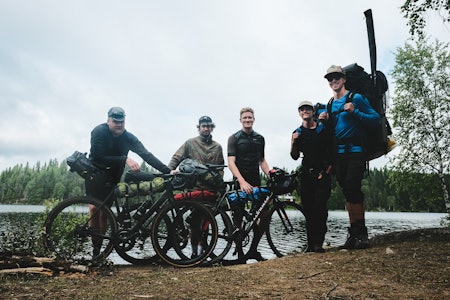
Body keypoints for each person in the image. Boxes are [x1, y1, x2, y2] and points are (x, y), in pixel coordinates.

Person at [87, 106, 172, 256]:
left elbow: (146, 154)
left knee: (104, 213)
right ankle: (95, 247)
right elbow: (98, 156)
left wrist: (167, 171)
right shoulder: (99, 132)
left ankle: (99, 252)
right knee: (94, 209)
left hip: (112, 176)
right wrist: (124, 158)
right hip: (95, 173)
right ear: (108, 121)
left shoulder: (128, 137)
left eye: (122, 121)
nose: (119, 124)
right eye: (115, 121)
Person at [320, 65, 380, 249]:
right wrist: (324, 121)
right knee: (347, 191)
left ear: (344, 79)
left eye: (337, 77)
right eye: (330, 79)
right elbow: (331, 132)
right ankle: (353, 234)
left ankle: (362, 234)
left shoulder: (356, 98)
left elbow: (376, 119)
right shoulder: (330, 104)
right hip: (339, 155)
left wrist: (355, 111)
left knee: (353, 188)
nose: (333, 81)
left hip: (356, 151)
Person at [168, 116, 225, 258]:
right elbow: (176, 157)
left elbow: (220, 168)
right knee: (195, 224)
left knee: (206, 224)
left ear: (212, 127)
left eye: (208, 126)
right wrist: (169, 171)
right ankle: (194, 254)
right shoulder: (190, 143)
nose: (206, 128)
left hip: (210, 191)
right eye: (203, 126)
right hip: (193, 189)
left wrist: (218, 182)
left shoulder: (217, 147)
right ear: (199, 127)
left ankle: (203, 253)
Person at [227, 107, 271, 262]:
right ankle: (240, 254)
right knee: (238, 218)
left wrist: (269, 173)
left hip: (255, 181)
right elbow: (231, 162)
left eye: (250, 118)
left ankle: (253, 250)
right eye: (245, 118)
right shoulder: (234, 138)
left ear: (253, 119)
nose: (247, 120)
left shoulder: (260, 138)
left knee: (264, 214)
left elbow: (262, 161)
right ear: (240, 120)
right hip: (239, 181)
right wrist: (241, 181)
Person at [290, 100, 333, 253]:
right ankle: (310, 244)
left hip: (322, 174)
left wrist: (327, 172)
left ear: (312, 112)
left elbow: (331, 151)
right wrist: (294, 142)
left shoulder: (323, 129)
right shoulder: (298, 132)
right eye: (302, 110)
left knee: (320, 209)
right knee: (308, 210)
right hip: (306, 175)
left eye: (308, 109)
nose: (305, 112)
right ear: (299, 113)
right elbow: (294, 156)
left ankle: (318, 243)